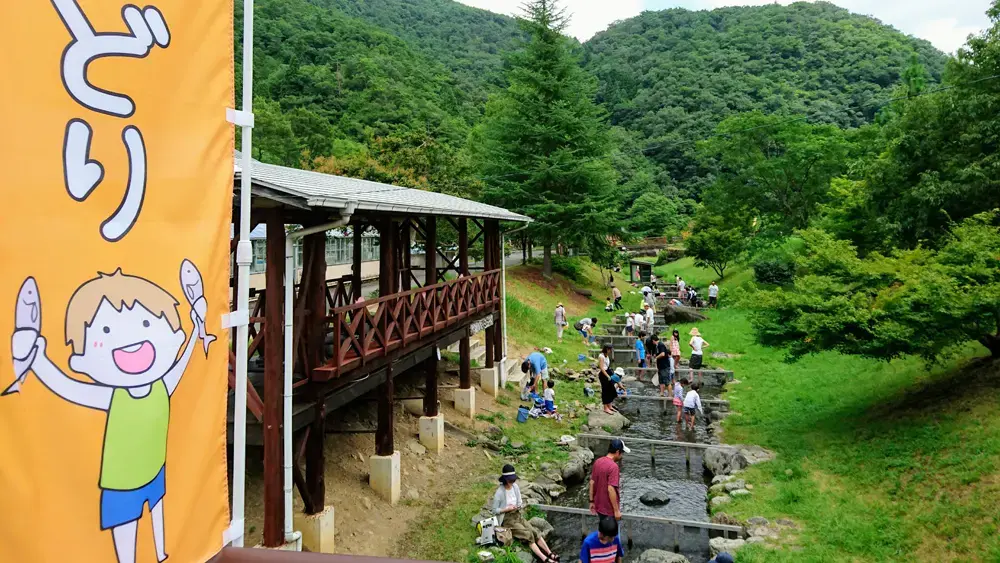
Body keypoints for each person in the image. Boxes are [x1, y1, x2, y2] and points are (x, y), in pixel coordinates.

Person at [492, 465, 559, 562]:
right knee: (528, 534)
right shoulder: (499, 492)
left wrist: (518, 506)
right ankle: (545, 559)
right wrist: (506, 509)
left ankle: (550, 553)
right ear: (505, 479)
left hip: (517, 515)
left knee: (535, 532)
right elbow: (494, 510)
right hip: (507, 520)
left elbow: (519, 501)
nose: (513, 482)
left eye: (514, 480)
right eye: (511, 480)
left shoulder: (515, 487)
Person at [589, 439, 630, 546]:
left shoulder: (598, 461)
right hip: (609, 510)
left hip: (599, 507)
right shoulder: (613, 467)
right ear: (617, 452)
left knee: (602, 536)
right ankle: (614, 554)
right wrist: (616, 511)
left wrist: (591, 501)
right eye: (622, 453)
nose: (622, 456)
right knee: (614, 538)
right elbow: (611, 489)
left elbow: (592, 482)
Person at [598, 344, 617, 414]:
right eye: (610, 349)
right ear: (607, 349)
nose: (611, 351)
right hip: (604, 374)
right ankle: (605, 408)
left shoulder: (607, 356)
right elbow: (601, 368)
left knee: (611, 389)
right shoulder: (601, 356)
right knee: (605, 391)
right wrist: (607, 376)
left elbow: (607, 366)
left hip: (608, 372)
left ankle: (610, 405)